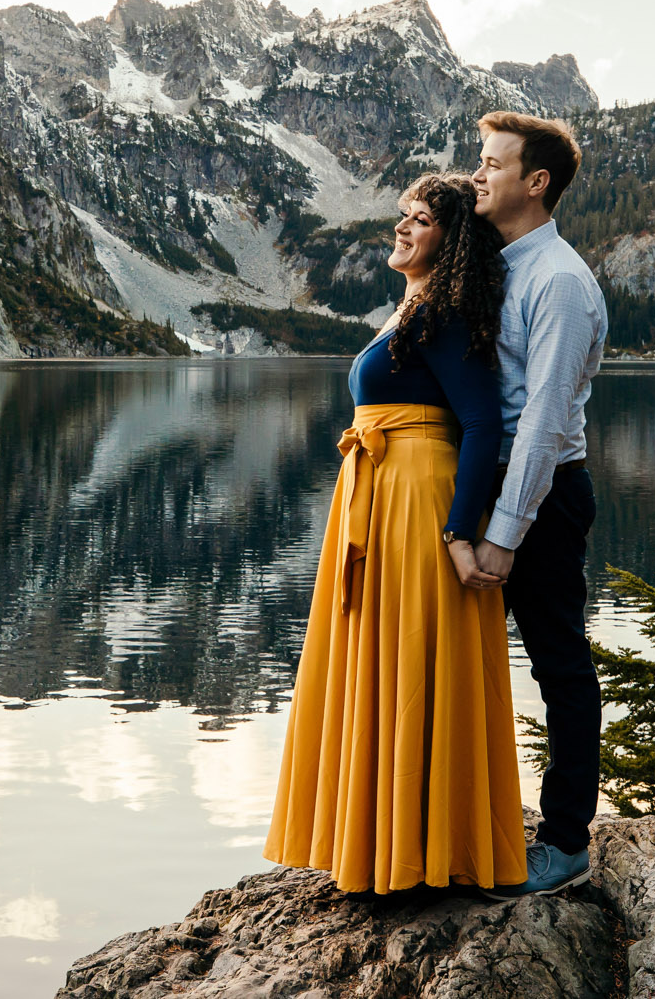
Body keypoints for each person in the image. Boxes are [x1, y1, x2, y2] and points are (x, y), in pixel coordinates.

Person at [264, 172, 526, 895]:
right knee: (388, 660)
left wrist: (458, 532)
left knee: (411, 661)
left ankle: (417, 853)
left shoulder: (442, 312)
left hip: (416, 498)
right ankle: (392, 842)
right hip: (382, 491)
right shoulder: (413, 306)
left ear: (452, 241)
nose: (403, 228)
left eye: (421, 220)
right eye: (402, 215)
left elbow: (480, 424)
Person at [466, 111, 608, 898]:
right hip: (502, 488)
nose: (479, 174)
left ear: (536, 181)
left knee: (560, 667)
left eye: (493, 163)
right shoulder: (507, 263)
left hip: (544, 495)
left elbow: (546, 422)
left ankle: (563, 841)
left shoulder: (559, 281)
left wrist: (505, 533)